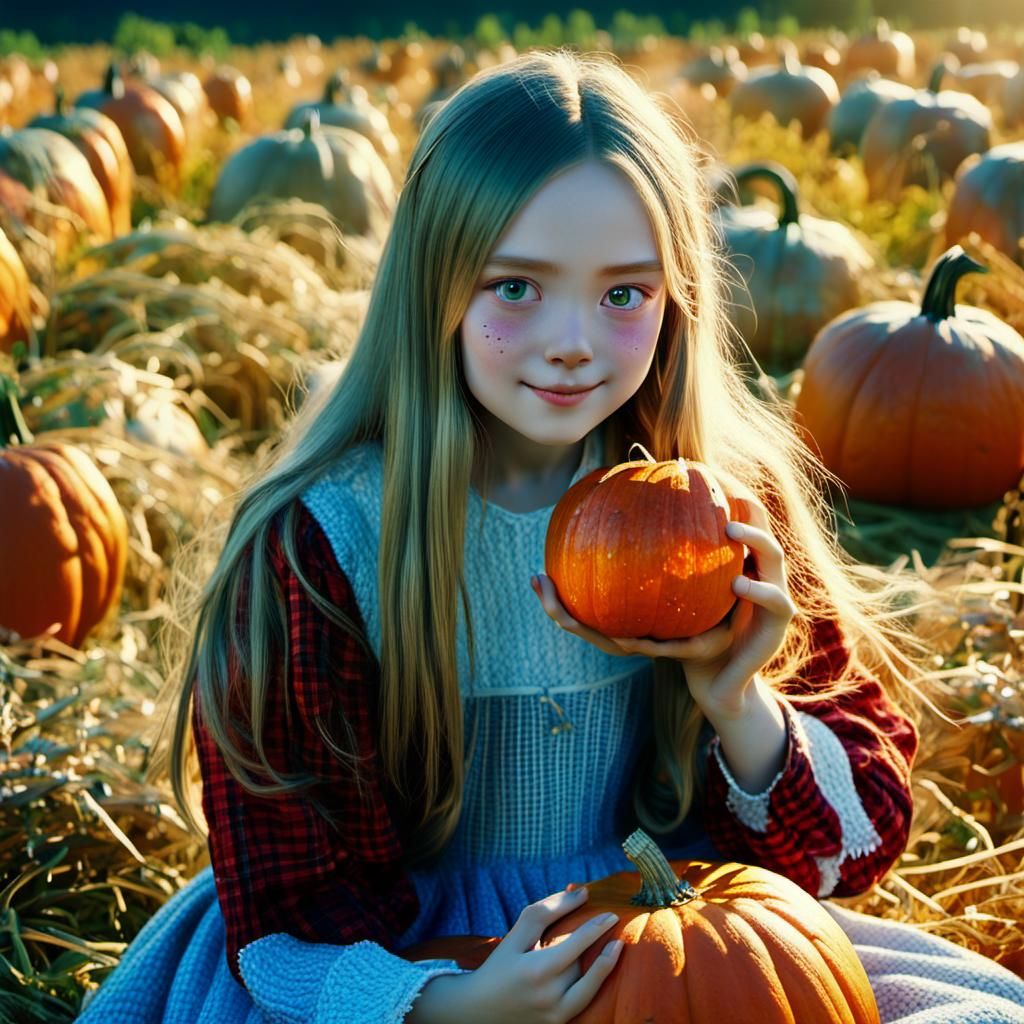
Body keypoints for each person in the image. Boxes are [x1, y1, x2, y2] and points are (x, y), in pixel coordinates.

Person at [76, 49, 1024, 1024]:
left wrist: (738, 702)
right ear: (434, 286)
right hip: (401, 962)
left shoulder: (719, 517)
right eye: (517, 287)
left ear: (676, 300)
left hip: (673, 924)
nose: (572, 341)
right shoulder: (327, 543)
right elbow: (291, 912)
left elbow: (851, 849)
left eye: (623, 295)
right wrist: (447, 1005)